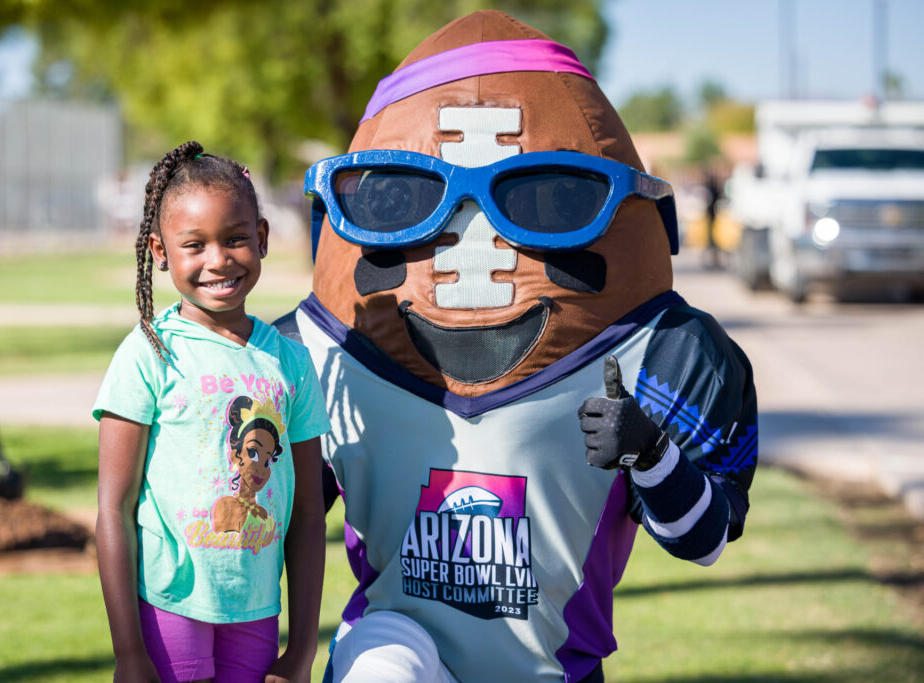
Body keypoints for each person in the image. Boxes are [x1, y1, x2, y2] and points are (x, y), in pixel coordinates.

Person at [277, 10, 756, 682]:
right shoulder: (317, 355)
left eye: (552, 201)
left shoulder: (656, 350)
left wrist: (651, 452)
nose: (478, 249)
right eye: (402, 199)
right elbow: (260, 524)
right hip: (396, 647)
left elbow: (702, 541)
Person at [93, 140, 330, 683]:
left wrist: (301, 650)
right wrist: (128, 652)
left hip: (256, 614)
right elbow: (114, 508)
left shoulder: (289, 361)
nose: (218, 260)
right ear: (159, 251)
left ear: (263, 238)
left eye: (236, 239)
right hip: (169, 608)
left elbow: (309, 513)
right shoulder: (148, 354)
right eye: (194, 245)